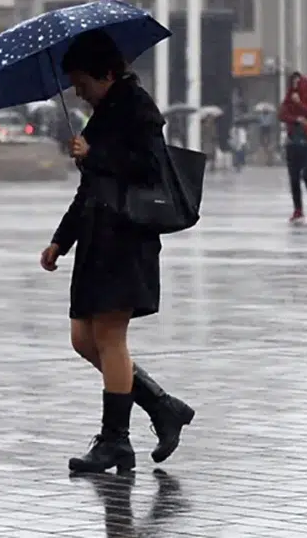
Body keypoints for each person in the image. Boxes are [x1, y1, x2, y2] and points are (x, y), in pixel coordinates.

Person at [39, 29, 195, 473]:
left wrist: (96, 153)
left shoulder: (137, 108)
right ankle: (162, 407)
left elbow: (148, 168)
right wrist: (59, 240)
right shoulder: (103, 113)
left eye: (82, 82)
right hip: (96, 240)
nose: (78, 92)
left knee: (109, 338)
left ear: (107, 73)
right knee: (84, 340)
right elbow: (89, 189)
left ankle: (115, 441)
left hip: (126, 241)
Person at [279, 71, 307, 224]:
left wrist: (299, 105)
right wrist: (297, 119)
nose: (295, 87)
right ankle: (298, 209)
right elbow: (282, 114)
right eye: (293, 83)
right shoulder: (289, 97)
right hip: (293, 142)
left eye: (298, 83)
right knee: (294, 178)